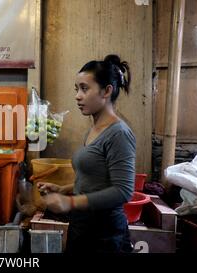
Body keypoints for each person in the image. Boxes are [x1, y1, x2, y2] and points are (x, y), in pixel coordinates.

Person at [37, 54, 136, 253]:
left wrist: (69, 202)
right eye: (77, 89)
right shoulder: (92, 131)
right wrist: (64, 188)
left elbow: (123, 191)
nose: (78, 96)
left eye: (84, 88)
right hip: (83, 226)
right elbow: (96, 180)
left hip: (105, 234)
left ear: (106, 90)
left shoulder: (119, 134)